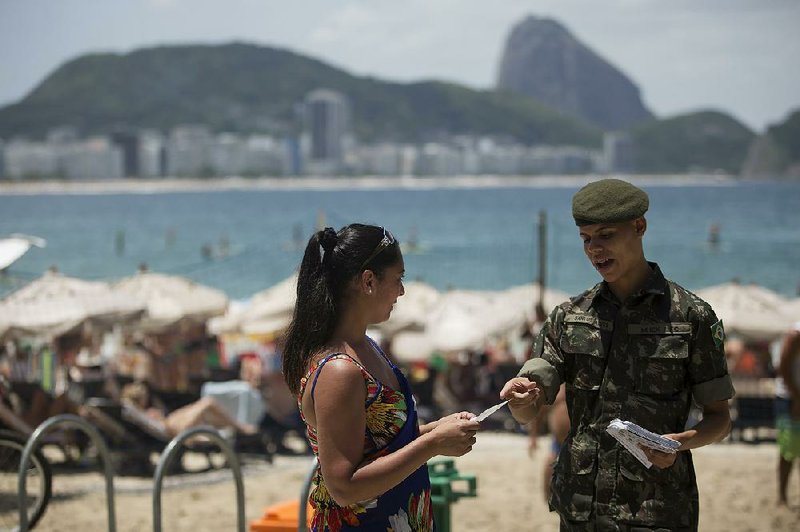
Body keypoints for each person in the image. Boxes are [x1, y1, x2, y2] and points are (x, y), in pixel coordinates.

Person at [500, 179, 734, 531]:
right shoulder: (569, 317)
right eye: (586, 239)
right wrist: (519, 397)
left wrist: (682, 442)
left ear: (639, 227)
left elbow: (719, 419)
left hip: (657, 511)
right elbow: (529, 407)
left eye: (606, 235)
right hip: (582, 512)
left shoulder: (690, 317)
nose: (595, 249)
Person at [282, 224, 479, 531]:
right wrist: (431, 445)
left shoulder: (366, 347)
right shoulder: (340, 369)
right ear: (369, 281)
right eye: (398, 278)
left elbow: (375, 443)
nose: (402, 291)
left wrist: (432, 431)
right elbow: (343, 487)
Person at [119, 381, 257, 439]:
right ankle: (240, 427)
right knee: (207, 403)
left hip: (171, 423)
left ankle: (235, 427)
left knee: (203, 408)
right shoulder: (139, 412)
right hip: (172, 428)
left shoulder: (139, 413)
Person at [527, 384, 569, 503]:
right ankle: (547, 497)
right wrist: (533, 437)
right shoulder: (557, 387)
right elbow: (539, 411)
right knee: (551, 462)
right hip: (559, 438)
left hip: (578, 437)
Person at [776, 322, 800, 506]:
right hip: (790, 398)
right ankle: (782, 497)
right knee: (788, 450)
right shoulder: (796, 333)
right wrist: (797, 397)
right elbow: (783, 368)